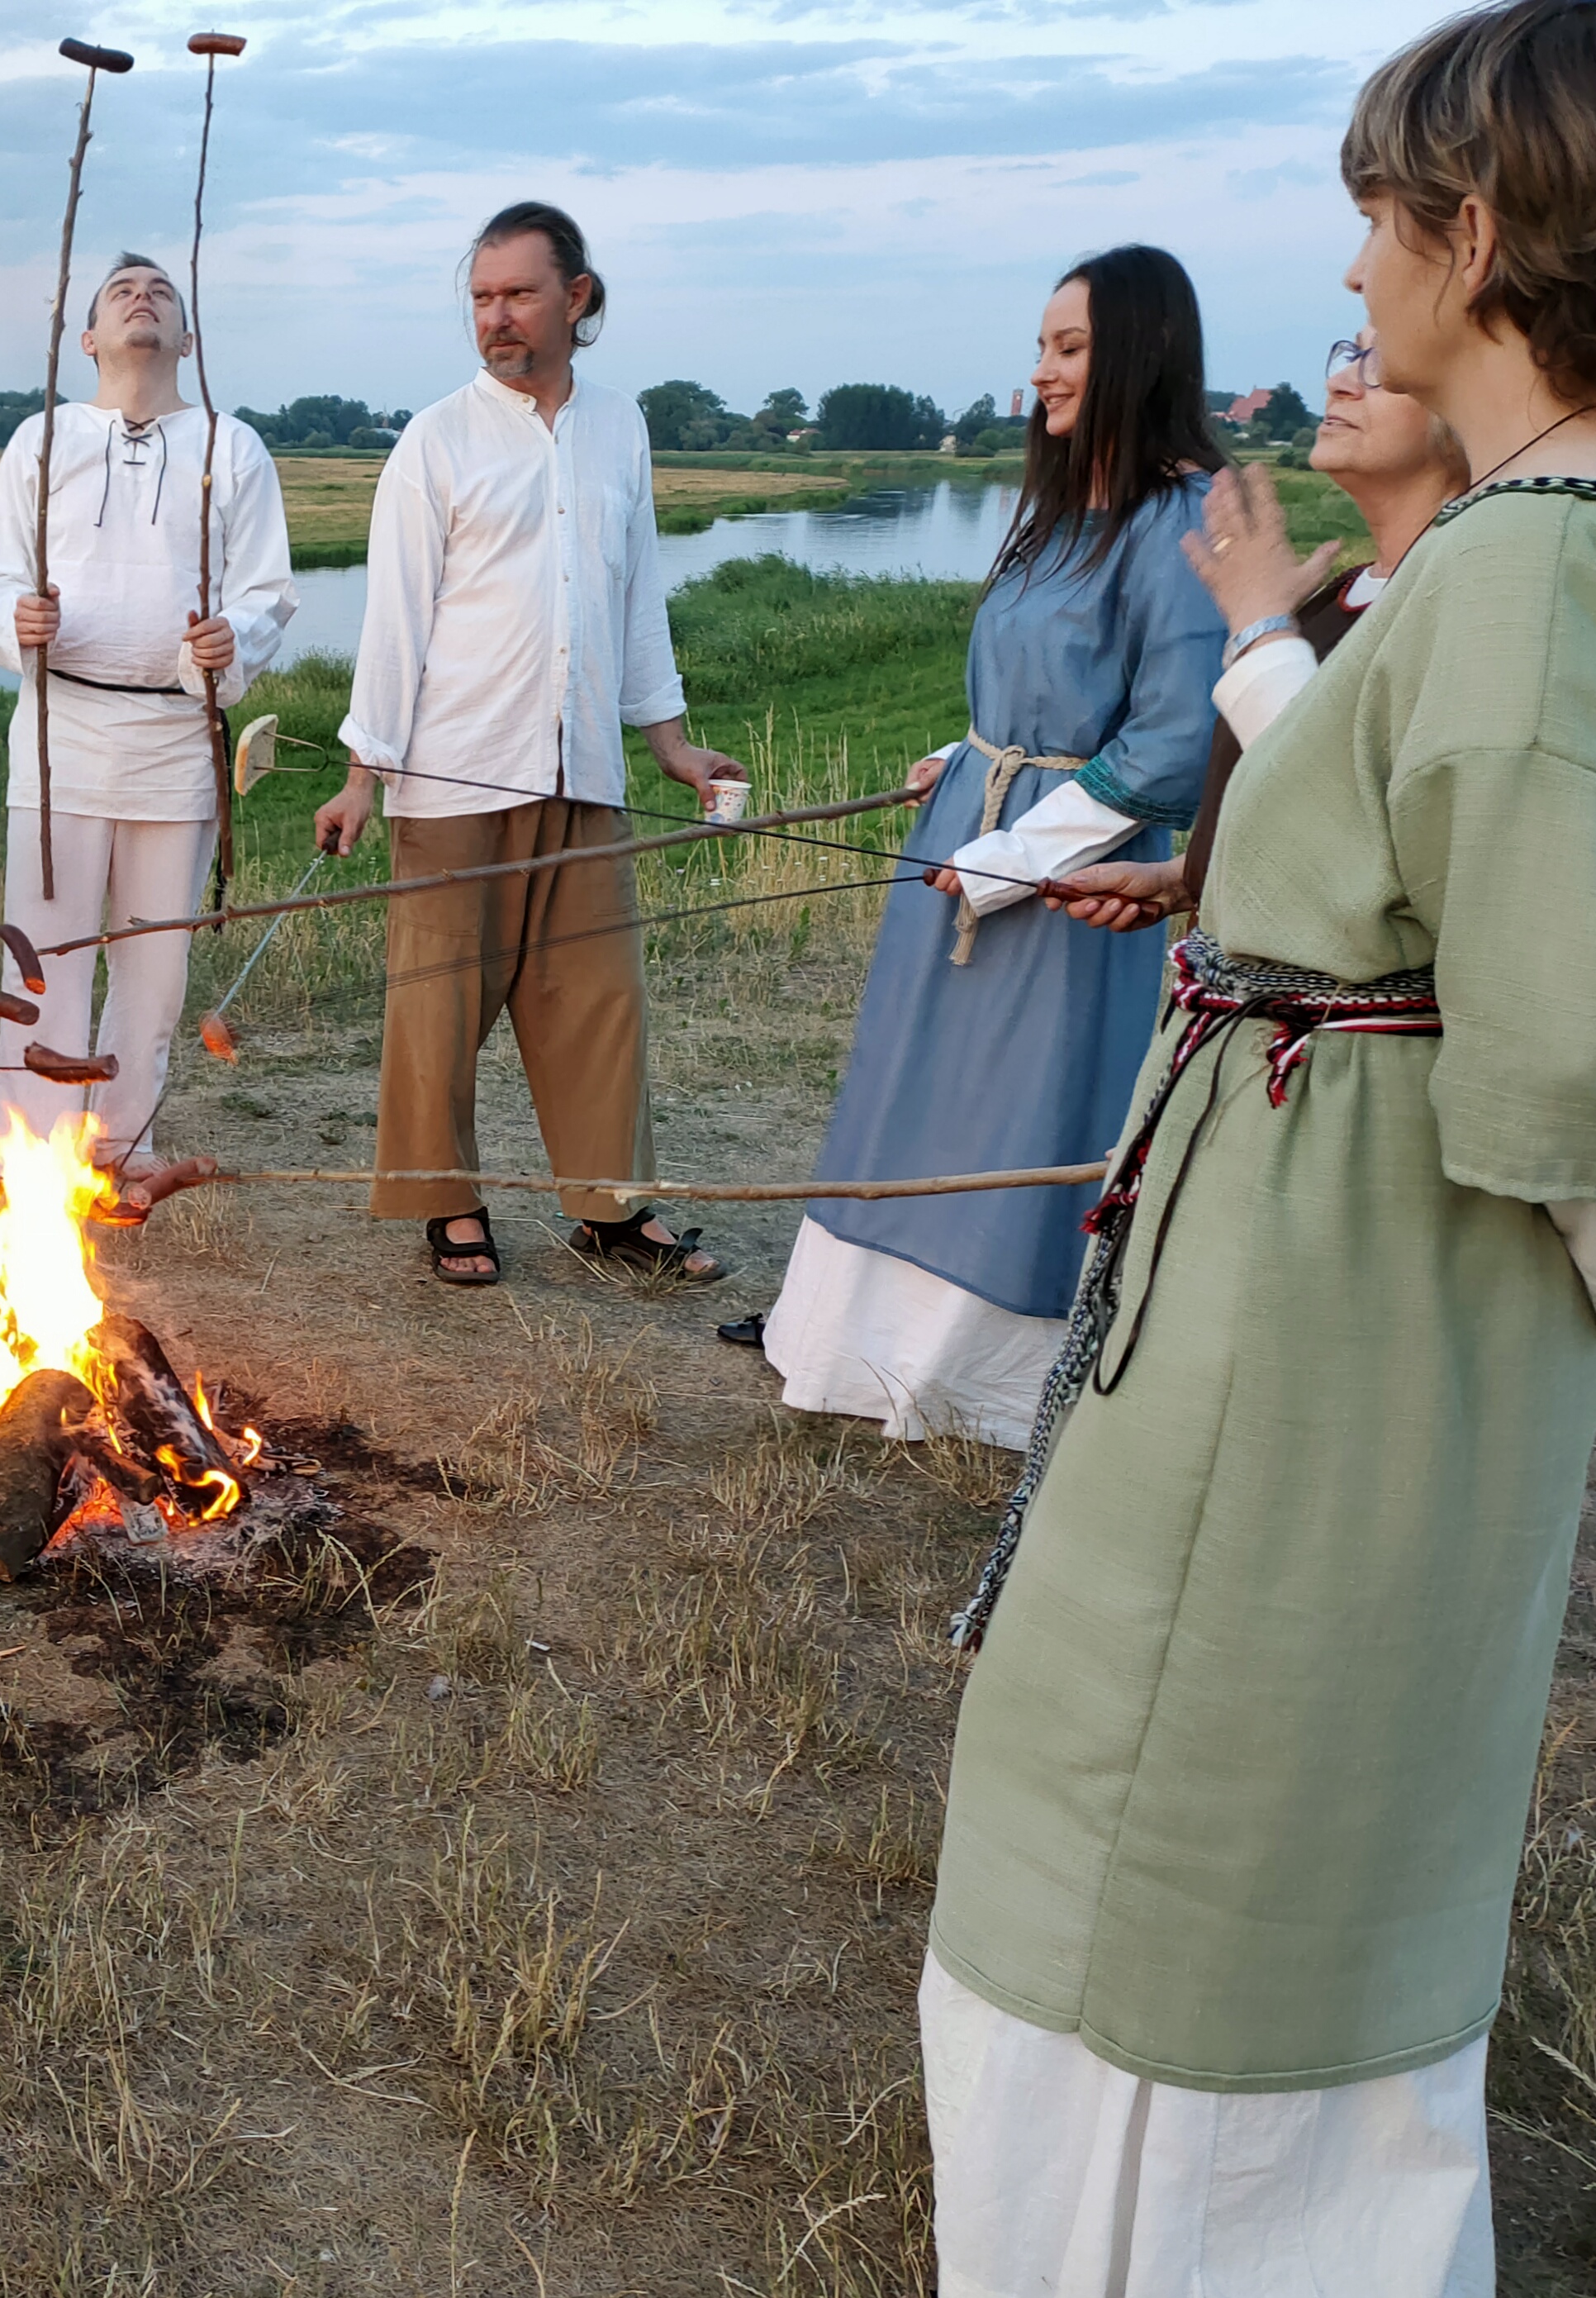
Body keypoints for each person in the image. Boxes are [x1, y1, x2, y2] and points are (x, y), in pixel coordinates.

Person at [924, 0, 1596, 2298]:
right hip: (1342, 1202)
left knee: (1182, 1725)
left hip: (1337, 1255)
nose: (1353, 276)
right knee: (1261, 1717)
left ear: (1475, 238)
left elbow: (1548, 1005)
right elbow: (1434, 851)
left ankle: (1181, 2276)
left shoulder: (1524, 576)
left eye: (1379, 222)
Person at [744, 246, 1226, 1444]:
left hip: (1065, 884)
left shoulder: (1183, 524)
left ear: (1140, 355)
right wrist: (957, 762)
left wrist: (1019, 855)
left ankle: (970, 1377)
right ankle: (844, 1343)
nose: (1043, 373)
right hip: (967, 836)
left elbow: (1171, 743)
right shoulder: (1059, 514)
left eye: (1069, 350)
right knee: (912, 1091)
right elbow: (1022, 690)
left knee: (1020, 1111)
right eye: (1045, 347)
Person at [314, 202, 745, 1288]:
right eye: (481, 298)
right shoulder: (436, 441)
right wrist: (365, 773)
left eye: (516, 295)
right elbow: (395, 621)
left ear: (577, 299)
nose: (495, 318)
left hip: (582, 772)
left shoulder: (621, 428)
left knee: (597, 1001)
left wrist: (672, 745)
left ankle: (607, 1211)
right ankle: (448, 1205)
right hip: (453, 777)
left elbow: (639, 597)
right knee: (440, 1003)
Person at [0, 251, 296, 1205]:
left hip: (175, 737)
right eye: (120, 293)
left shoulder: (232, 447)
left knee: (153, 966)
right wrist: (14, 619)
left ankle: (113, 1146)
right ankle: (24, 1161)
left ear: (187, 337)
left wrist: (232, 639)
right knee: (44, 958)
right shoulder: (43, 439)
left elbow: (269, 591)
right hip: (62, 731)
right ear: (88, 339)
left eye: (161, 293)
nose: (141, 299)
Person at [1047, 331, 1471, 932]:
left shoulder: (1461, 605)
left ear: (1474, 406)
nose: (1341, 380)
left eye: (1381, 363)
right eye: (1349, 353)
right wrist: (1190, 876)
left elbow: (1394, 856)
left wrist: (1259, 622)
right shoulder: (1335, 599)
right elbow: (1296, 811)